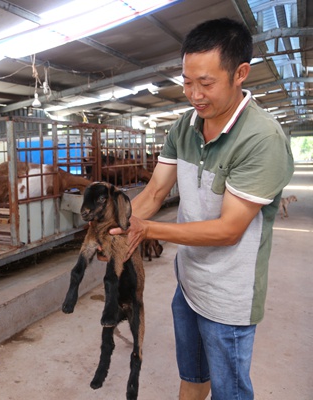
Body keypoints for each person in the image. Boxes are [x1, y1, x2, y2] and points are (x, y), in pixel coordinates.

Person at [108, 18, 294, 399]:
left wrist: (147, 229)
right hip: (189, 284)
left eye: (206, 83)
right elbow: (155, 191)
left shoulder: (261, 138)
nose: (194, 94)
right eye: (187, 82)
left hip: (229, 297)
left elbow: (228, 230)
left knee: (230, 392)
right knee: (193, 377)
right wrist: (116, 227)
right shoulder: (184, 127)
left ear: (240, 73)